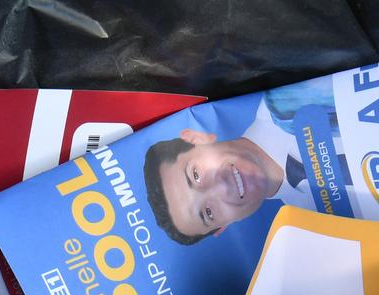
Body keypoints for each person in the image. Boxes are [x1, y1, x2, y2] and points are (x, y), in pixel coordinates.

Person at [144, 77, 355, 245]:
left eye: (195, 175)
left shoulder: (287, 99)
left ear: (197, 139)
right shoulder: (324, 229)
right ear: (223, 227)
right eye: (208, 213)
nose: (221, 188)